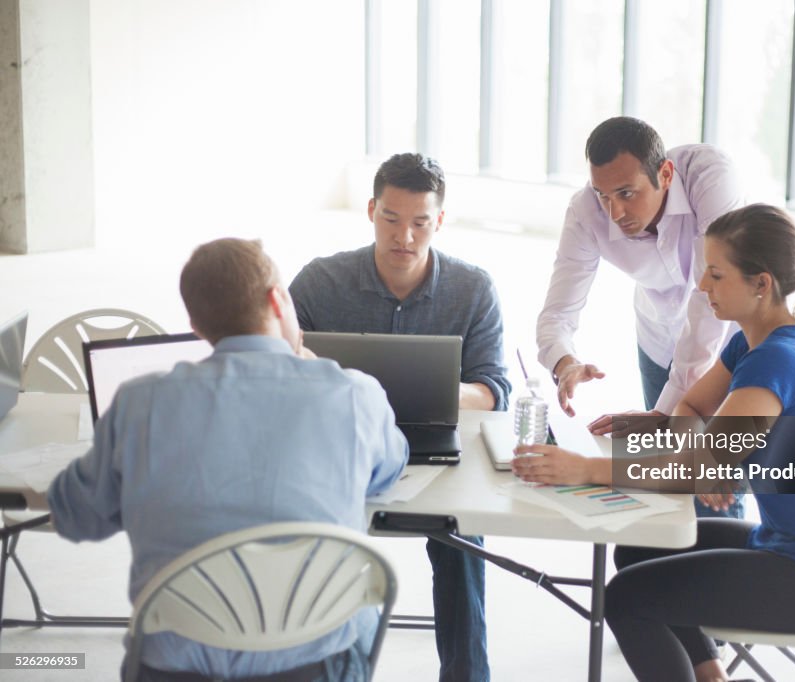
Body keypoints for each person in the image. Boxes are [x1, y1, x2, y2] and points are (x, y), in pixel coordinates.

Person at [514, 204, 795, 682]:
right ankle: (711, 676)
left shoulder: (779, 361)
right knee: (638, 549)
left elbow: (686, 468)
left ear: (761, 283)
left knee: (626, 600)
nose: (702, 286)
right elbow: (690, 408)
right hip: (787, 546)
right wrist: (706, 462)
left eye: (715, 274)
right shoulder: (754, 340)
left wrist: (586, 468)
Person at [47, 238, 408, 682]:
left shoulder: (139, 403)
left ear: (197, 327)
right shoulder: (354, 394)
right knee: (361, 613)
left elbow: (74, 516)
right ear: (278, 300)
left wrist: (130, 469)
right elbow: (389, 470)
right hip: (311, 665)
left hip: (173, 667)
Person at [290, 153, 510, 682]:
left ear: (440, 221)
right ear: (370, 210)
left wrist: (437, 390)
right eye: (391, 218)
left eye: (419, 222)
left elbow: (493, 390)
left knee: (462, 539)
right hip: (338, 447)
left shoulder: (473, 288)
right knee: (300, 530)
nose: (404, 237)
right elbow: (278, 366)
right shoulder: (320, 281)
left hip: (437, 446)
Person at [536, 116, 746, 519]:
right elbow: (558, 311)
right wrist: (565, 362)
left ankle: (725, 569)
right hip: (659, 339)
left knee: (713, 482)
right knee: (667, 490)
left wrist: (666, 412)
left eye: (627, 193)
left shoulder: (710, 178)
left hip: (727, 344)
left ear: (665, 174)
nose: (615, 211)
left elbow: (709, 302)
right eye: (603, 195)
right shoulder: (585, 212)